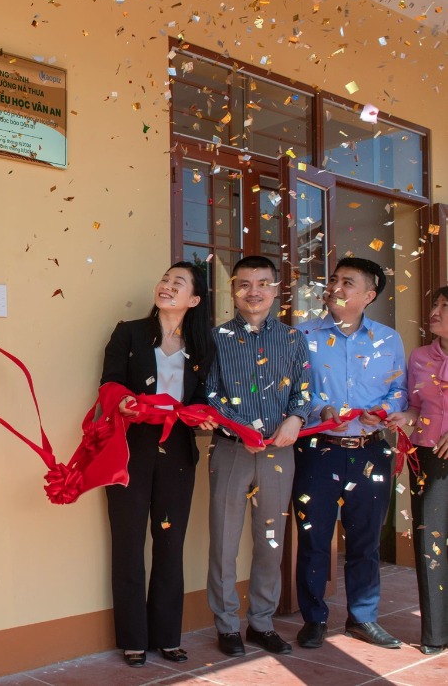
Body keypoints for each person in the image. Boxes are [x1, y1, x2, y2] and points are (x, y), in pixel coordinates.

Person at [100, 262, 215, 667]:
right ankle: (133, 638)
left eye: (178, 283)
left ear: (194, 300)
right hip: (129, 449)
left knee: (170, 543)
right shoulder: (128, 332)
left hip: (178, 452)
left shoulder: (202, 346)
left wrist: (204, 415)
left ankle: (167, 635)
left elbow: (207, 399)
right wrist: (123, 402)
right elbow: (109, 383)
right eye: (165, 279)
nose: (167, 286)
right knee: (128, 544)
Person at [295, 257, 407, 649]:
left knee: (365, 541)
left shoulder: (388, 339)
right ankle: (314, 618)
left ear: (368, 295)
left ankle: (362, 616)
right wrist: (321, 412)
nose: (335, 288)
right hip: (317, 451)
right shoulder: (303, 334)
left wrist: (390, 411)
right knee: (314, 538)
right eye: (333, 280)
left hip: (372, 452)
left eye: (347, 282)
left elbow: (400, 390)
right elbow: (297, 391)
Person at [205, 255, 312, 657]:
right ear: (233, 290)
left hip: (278, 453)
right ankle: (227, 625)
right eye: (245, 284)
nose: (254, 292)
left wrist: (297, 419)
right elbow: (210, 394)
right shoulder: (217, 338)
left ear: (276, 289)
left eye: (263, 283)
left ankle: (262, 623)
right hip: (232, 450)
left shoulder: (292, 339)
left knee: (271, 540)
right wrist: (240, 429)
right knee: (224, 540)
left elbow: (304, 390)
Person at [387, 285, 448, 655]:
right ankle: (435, 633)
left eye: (445, 306)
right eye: (435, 304)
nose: (436, 311)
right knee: (431, 543)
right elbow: (414, 406)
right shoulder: (420, 356)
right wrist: (403, 417)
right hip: (427, 457)